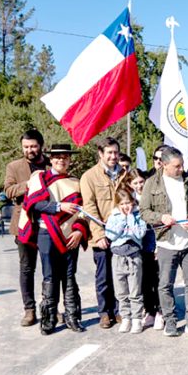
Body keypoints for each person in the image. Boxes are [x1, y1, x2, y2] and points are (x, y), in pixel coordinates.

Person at [140, 147, 188, 338]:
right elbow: (144, 211)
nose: (181, 169)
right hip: (167, 243)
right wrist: (161, 217)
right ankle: (171, 321)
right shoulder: (152, 183)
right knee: (165, 285)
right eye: (176, 166)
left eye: (182, 164)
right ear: (164, 165)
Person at [17, 144, 89, 335]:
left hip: (70, 234)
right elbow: (34, 203)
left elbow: (83, 212)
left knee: (69, 275)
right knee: (50, 276)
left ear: (70, 160)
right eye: (57, 157)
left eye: (65, 157)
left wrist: (80, 231)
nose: (61, 160)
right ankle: (49, 319)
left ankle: (73, 317)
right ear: (51, 159)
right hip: (46, 233)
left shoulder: (76, 182)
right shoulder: (40, 179)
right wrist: (59, 207)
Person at [80, 137, 129, 328]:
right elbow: (89, 207)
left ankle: (119, 311)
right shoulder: (89, 177)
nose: (113, 156)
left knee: (121, 273)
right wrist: (98, 234)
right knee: (104, 275)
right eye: (109, 153)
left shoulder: (127, 174)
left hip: (124, 235)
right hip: (102, 234)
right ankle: (104, 312)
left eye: (116, 152)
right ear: (100, 154)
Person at [4, 129, 48, 326]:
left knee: (51, 269)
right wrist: (28, 184)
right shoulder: (13, 167)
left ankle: (50, 307)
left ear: (41, 146)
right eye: (26, 147)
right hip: (24, 225)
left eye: (33, 146)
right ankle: (29, 310)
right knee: (27, 268)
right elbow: (8, 191)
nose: (30, 150)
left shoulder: (50, 164)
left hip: (49, 225)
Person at [105, 188, 148, 334]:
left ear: (133, 202)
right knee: (121, 291)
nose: (126, 206)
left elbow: (140, 233)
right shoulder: (114, 217)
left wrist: (130, 218)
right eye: (122, 204)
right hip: (118, 257)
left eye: (128, 203)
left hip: (134, 256)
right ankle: (126, 317)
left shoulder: (138, 216)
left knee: (135, 290)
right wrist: (123, 219)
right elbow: (111, 235)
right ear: (117, 205)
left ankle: (136, 318)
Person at [127, 169, 161, 329]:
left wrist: (157, 245)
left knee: (158, 279)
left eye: (141, 182)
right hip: (137, 245)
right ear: (130, 184)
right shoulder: (129, 200)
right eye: (135, 183)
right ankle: (150, 311)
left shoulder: (153, 196)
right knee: (144, 281)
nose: (139, 185)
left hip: (152, 243)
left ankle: (161, 312)